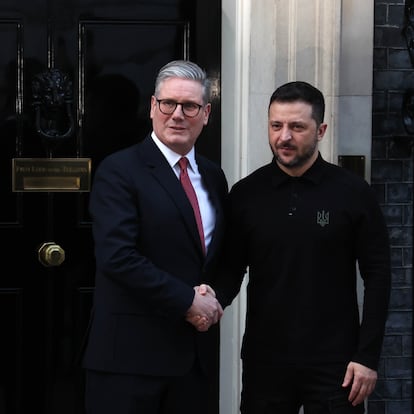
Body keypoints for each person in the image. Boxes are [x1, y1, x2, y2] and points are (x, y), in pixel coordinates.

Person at [204, 81, 391, 413]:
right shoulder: (247, 194)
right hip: (266, 360)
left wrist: (367, 357)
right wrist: (205, 303)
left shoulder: (353, 192)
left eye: (297, 127)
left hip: (337, 363)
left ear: (321, 130)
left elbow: (379, 277)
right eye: (276, 126)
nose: (284, 137)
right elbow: (232, 269)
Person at [82, 60, 227, 414]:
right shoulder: (119, 170)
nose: (178, 114)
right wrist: (188, 301)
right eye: (168, 104)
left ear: (205, 114)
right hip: (129, 361)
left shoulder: (213, 176)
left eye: (189, 106)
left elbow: (216, 256)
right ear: (152, 107)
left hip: (192, 361)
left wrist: (214, 297)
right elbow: (118, 257)